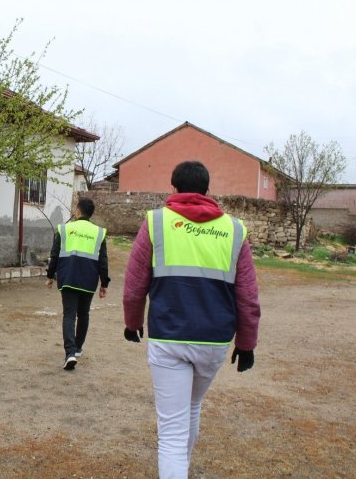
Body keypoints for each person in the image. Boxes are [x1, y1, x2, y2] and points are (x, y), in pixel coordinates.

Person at [122, 161, 261, 478]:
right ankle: (180, 469)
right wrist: (247, 343)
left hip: (169, 338)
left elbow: (133, 285)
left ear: (172, 188)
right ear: (207, 191)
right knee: (192, 407)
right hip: (214, 341)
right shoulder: (234, 230)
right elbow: (248, 296)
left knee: (171, 429)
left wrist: (132, 322)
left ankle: (177, 469)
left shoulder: (156, 222)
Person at [46, 197, 110, 370]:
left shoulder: (64, 229)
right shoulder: (99, 233)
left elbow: (55, 254)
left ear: (78, 211)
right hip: (89, 279)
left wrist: (50, 275)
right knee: (84, 314)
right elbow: (103, 260)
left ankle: (70, 353)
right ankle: (78, 347)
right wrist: (104, 283)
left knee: (69, 314)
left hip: (68, 277)